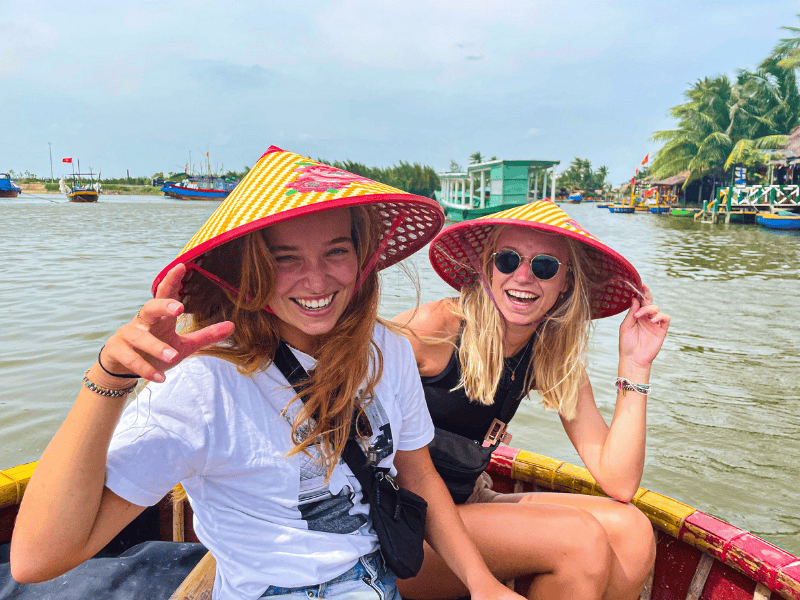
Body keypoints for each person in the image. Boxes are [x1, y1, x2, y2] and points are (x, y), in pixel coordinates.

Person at [11, 147, 525, 600]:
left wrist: (482, 584)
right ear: (250, 269)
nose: (317, 280)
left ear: (362, 257)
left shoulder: (385, 349)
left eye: (336, 252)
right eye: (286, 259)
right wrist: (112, 378)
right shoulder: (205, 384)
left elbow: (417, 474)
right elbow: (38, 558)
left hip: (379, 579)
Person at [393, 200, 671, 600]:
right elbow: (340, 387)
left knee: (631, 531)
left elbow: (618, 479)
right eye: (507, 260)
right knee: (578, 539)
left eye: (544, 267)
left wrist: (635, 365)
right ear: (487, 268)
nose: (522, 277)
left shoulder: (549, 353)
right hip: (400, 526)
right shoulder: (432, 330)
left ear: (567, 283)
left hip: (468, 503)